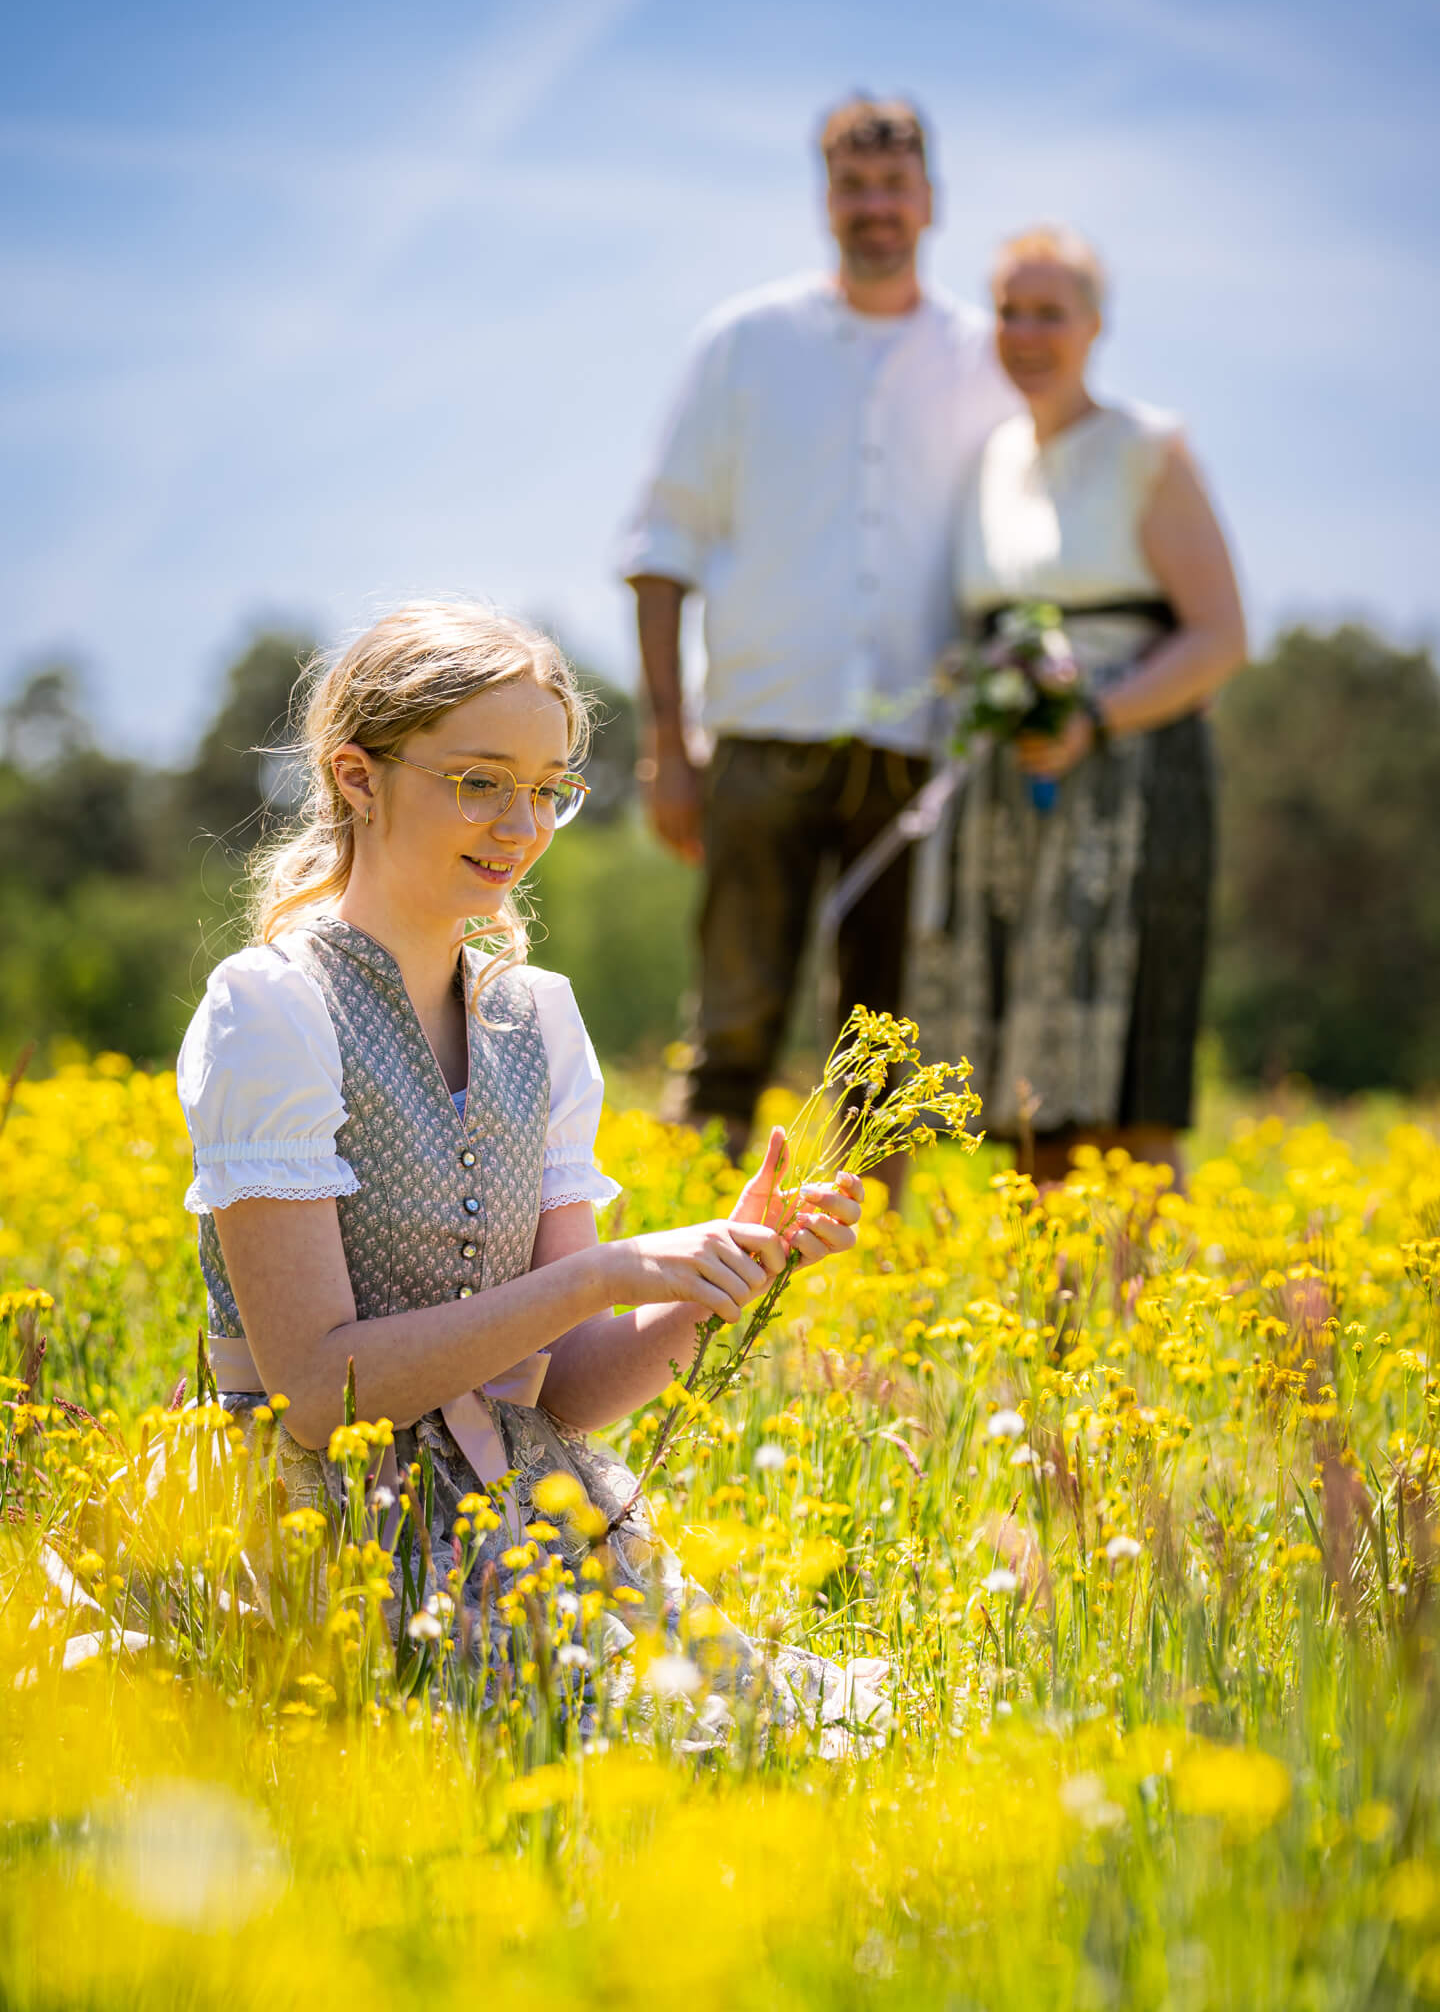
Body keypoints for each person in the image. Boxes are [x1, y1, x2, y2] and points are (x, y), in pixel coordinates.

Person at [176, 599, 875, 1729]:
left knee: (779, 1737)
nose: (522, 823)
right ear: (358, 777)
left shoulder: (536, 1018)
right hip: (320, 1530)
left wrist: (722, 1272)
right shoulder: (272, 1010)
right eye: (480, 781)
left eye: (550, 787)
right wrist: (601, 1277)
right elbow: (315, 1395)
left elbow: (567, 1391)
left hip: (526, 1518)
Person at [619, 96, 1018, 1187]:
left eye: (895, 186)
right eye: (854, 185)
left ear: (930, 200)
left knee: (885, 1051)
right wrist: (667, 745)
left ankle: (863, 1303)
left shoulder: (989, 359)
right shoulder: (745, 343)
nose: (875, 207)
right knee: (730, 1029)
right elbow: (663, 546)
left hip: (924, 751)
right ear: (825, 197)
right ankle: (682, 1264)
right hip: (759, 738)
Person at [909, 226, 1247, 1185]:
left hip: (1132, 792)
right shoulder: (986, 462)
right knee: (1032, 1095)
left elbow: (1220, 636)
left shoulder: (1148, 449)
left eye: (1049, 312)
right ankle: (1053, 1323)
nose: (1026, 332)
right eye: (1009, 311)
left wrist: (1091, 722)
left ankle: (1149, 1318)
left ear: (1094, 324)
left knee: (1127, 1094)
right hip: (1011, 804)